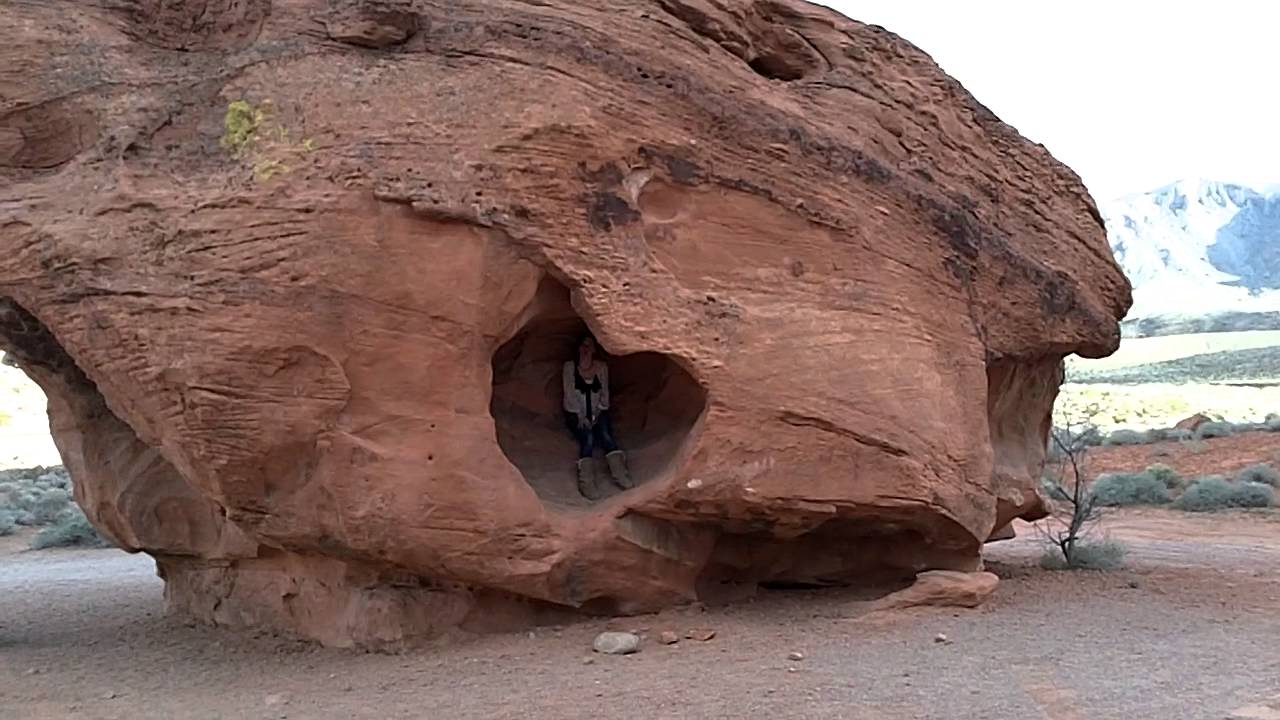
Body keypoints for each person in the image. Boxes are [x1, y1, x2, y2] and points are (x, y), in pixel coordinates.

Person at [562, 334, 632, 499]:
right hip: (575, 413)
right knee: (588, 439)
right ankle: (587, 482)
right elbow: (569, 394)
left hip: (598, 411)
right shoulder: (570, 367)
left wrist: (596, 414)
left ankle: (620, 475)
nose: (585, 349)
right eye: (583, 345)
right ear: (578, 348)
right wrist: (581, 417)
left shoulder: (601, 367)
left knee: (606, 436)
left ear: (594, 349)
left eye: (589, 346)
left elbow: (604, 393)